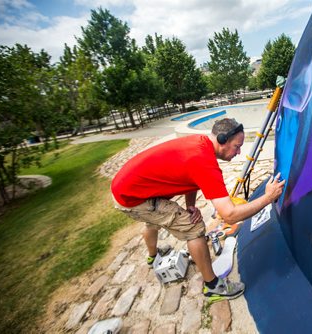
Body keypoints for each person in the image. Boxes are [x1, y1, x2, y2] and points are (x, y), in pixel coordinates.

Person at [111, 118, 285, 302]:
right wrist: (268, 198)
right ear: (222, 139)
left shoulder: (199, 144)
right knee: (194, 229)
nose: (239, 151)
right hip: (132, 199)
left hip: (129, 187)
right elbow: (230, 215)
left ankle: (152, 257)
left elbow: (191, 178)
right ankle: (212, 287)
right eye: (236, 146)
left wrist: (190, 206)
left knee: (153, 220)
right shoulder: (205, 163)